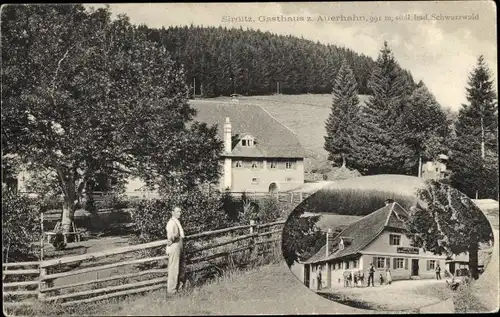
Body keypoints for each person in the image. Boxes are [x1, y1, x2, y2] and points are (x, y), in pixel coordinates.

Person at [166, 206, 185, 294]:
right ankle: (172, 290)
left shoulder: (177, 222)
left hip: (179, 245)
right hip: (174, 246)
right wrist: (174, 236)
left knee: (180, 267)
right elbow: (170, 238)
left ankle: (180, 287)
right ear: (172, 212)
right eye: (177, 212)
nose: (179, 213)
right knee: (174, 268)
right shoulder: (171, 223)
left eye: (180, 212)